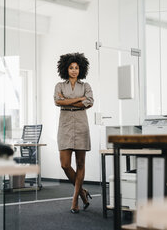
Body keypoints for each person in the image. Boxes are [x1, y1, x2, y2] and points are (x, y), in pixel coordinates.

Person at [53, 52, 94, 214]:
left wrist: (67, 101)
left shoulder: (86, 86)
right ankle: (83, 192)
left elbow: (89, 102)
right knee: (65, 164)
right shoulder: (59, 86)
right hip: (65, 126)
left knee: (81, 164)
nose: (74, 70)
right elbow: (57, 101)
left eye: (77, 68)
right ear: (66, 69)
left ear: (81, 69)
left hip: (81, 126)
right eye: (71, 67)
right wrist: (79, 100)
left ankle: (75, 200)